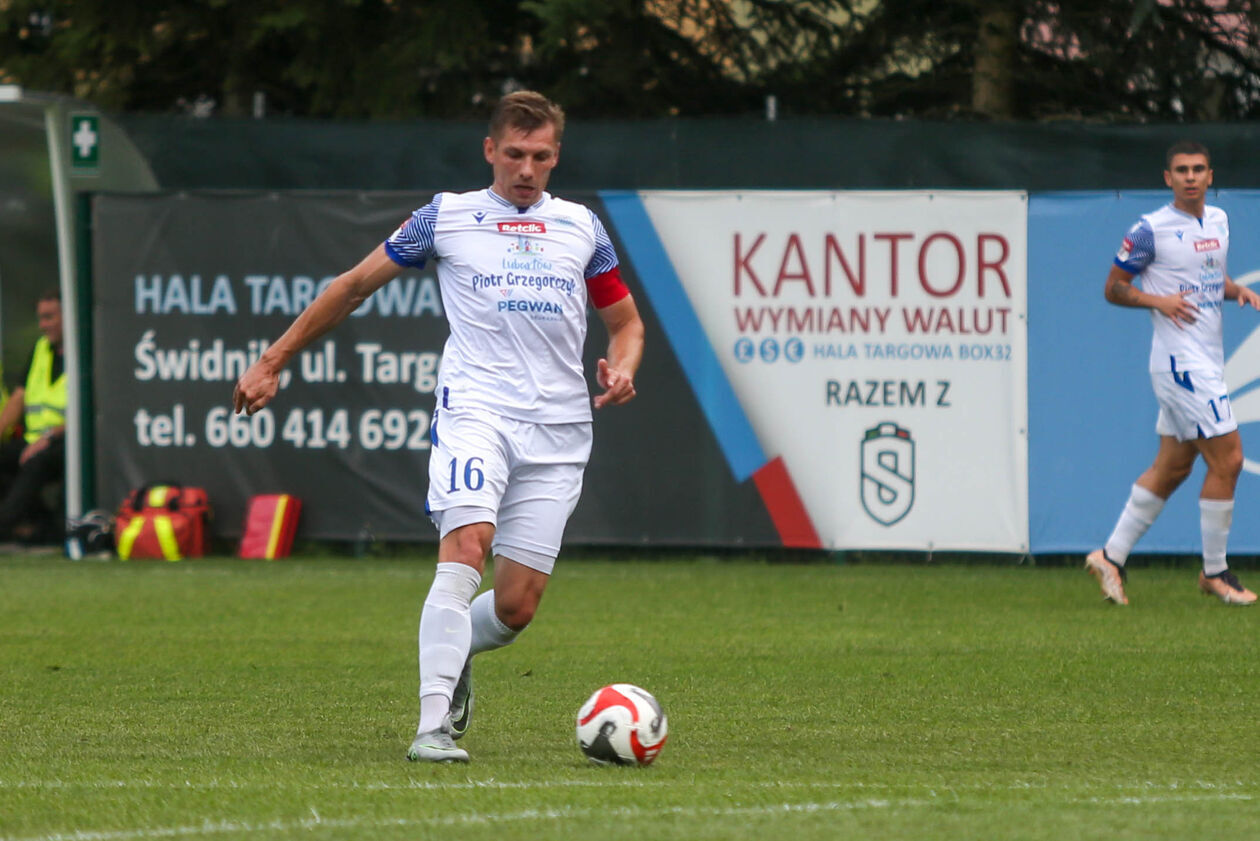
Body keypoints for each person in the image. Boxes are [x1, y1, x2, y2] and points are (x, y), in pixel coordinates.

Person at [233, 90, 645, 761]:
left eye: (541, 156)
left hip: (560, 429)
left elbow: (625, 324)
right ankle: (431, 728)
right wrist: (273, 358)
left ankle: (458, 655)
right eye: (514, 153)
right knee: (466, 546)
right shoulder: (446, 216)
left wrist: (622, 369)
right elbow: (353, 285)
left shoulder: (582, 227)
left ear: (556, 156)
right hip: (476, 410)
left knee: (515, 607)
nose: (526, 169)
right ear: (490, 150)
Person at [1086, 140, 1258, 606]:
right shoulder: (1149, 230)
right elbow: (1114, 288)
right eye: (1181, 170)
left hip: (1205, 359)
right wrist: (1157, 300)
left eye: (1198, 169)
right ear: (1168, 178)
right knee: (1229, 459)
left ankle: (1110, 557)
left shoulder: (1218, 220)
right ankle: (1215, 572)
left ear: (1210, 175)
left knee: (1173, 467)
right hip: (1181, 364)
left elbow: (1208, 279)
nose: (1190, 176)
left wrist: (1235, 290)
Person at [0, 289, 67, 542]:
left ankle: (5, 524)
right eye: (40, 318)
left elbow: (90, 411)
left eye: (50, 317)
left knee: (35, 462)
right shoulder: (40, 348)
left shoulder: (86, 350)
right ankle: (39, 523)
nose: (43, 325)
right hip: (34, 440)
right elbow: (19, 397)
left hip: (65, 442)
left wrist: (48, 437)